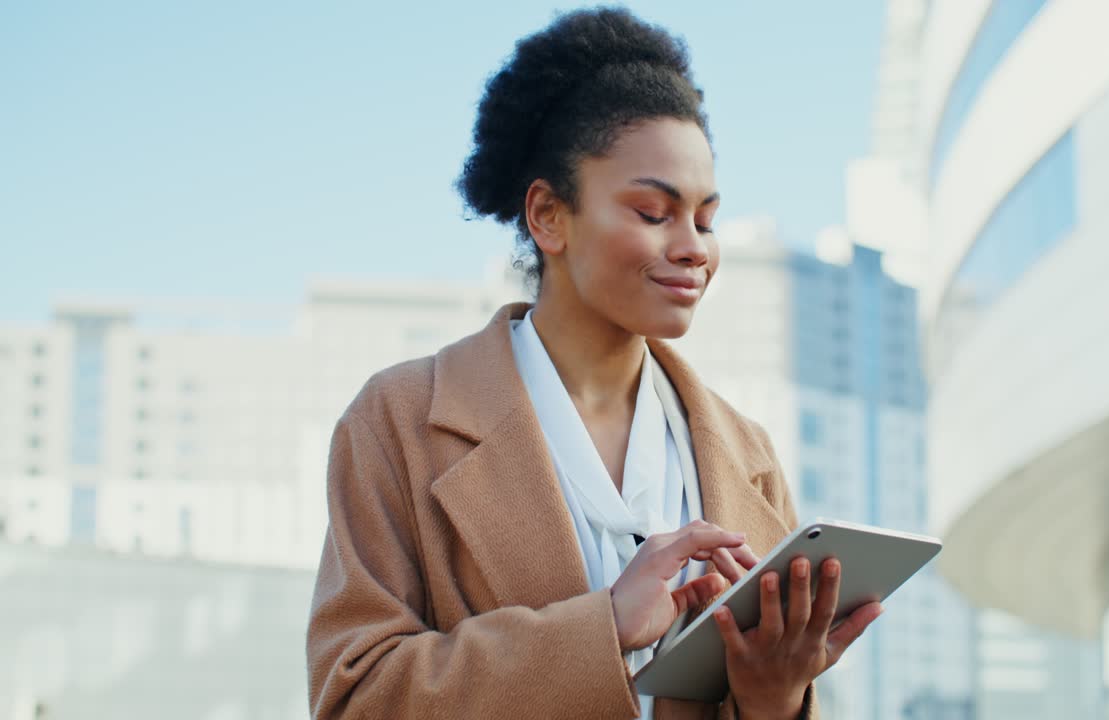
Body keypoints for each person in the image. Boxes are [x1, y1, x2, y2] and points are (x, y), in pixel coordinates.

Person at [306, 7, 882, 719]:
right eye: (653, 213)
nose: (694, 248)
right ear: (548, 216)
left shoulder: (748, 454)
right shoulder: (399, 422)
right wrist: (602, 626)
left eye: (705, 219)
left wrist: (775, 699)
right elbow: (354, 696)